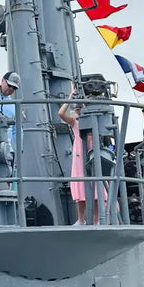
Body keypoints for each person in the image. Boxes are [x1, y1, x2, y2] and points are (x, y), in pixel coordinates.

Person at [59, 88, 107, 225]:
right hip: (80, 156)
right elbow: (61, 113)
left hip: (93, 155)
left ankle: (97, 221)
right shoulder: (75, 122)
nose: (78, 111)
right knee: (80, 189)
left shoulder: (95, 121)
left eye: (81, 108)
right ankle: (81, 220)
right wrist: (70, 97)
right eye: (77, 109)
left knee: (98, 189)